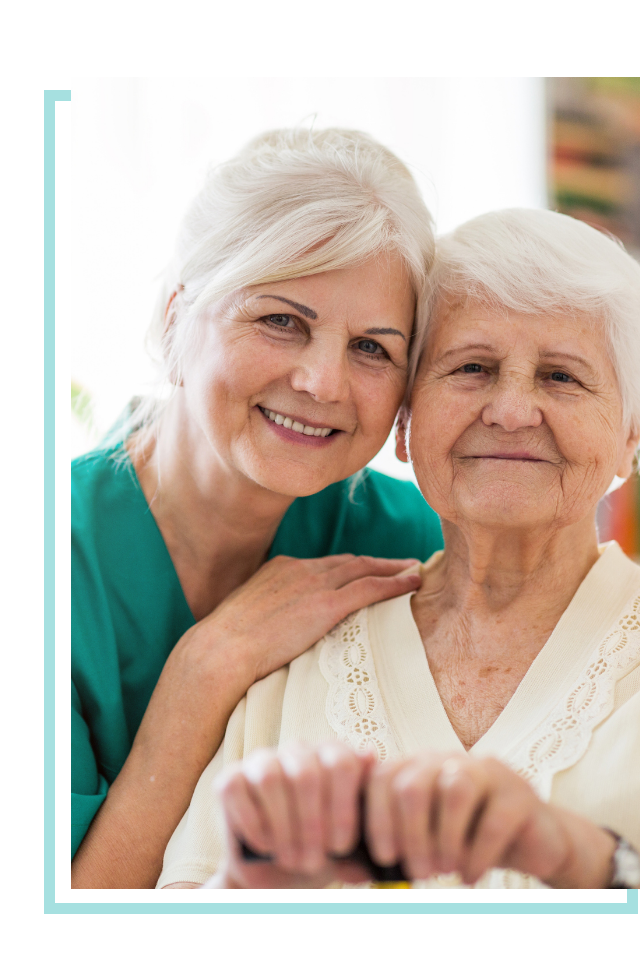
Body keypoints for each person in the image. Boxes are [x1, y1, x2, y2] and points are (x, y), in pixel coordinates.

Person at [157, 209, 640, 890]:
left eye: (560, 377)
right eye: (471, 367)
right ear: (403, 424)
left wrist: (587, 861)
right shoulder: (294, 664)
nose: (511, 410)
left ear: (631, 438)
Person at [71, 128, 444, 889]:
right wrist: (207, 671)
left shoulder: (408, 541)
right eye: (281, 320)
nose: (322, 381)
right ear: (177, 319)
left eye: (372, 348)